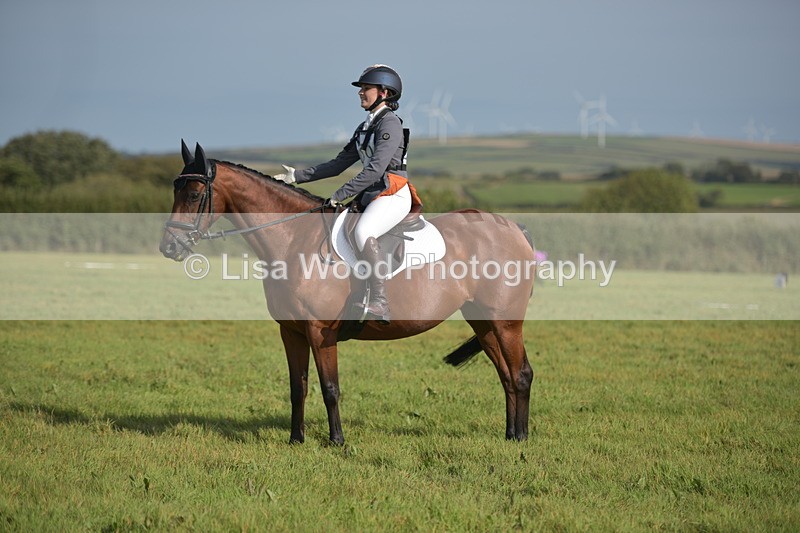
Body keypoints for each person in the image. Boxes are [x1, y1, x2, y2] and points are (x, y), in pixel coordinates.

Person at [274, 64, 422, 324]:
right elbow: (338, 164)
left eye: (366, 88)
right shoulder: (365, 127)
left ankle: (380, 302)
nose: (360, 92)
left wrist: (340, 194)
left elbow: (376, 169)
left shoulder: (389, 124)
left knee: (363, 232)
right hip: (373, 194)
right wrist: (296, 176)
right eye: (361, 88)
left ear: (384, 92)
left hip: (393, 193)